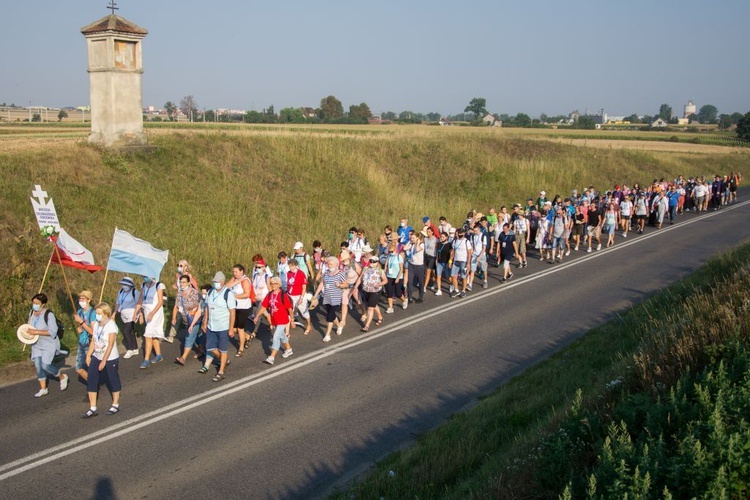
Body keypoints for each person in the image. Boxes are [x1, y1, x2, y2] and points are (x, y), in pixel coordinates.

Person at [26, 293, 69, 397]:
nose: (34, 305)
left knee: (45, 365)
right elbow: (28, 326)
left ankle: (62, 376)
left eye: (37, 303)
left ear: (43, 304)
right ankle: (43, 388)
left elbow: (52, 332)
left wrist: (36, 332)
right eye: (33, 303)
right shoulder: (31, 313)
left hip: (48, 344)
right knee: (38, 367)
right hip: (36, 344)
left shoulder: (49, 314)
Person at [83, 303, 121, 418]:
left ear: (106, 314)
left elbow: (110, 344)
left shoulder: (111, 325)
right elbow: (94, 341)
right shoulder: (96, 325)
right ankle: (93, 407)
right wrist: (89, 355)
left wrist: (104, 361)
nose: (97, 316)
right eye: (96, 313)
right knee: (92, 379)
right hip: (97, 355)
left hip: (110, 358)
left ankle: (115, 404)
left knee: (112, 379)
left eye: (99, 314)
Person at [199, 271, 236, 382]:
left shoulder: (228, 294)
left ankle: (221, 372)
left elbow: (232, 312)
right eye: (214, 281)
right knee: (210, 348)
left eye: (217, 281)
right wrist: (205, 322)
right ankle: (224, 359)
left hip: (223, 326)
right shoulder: (210, 292)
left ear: (222, 282)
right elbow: (207, 308)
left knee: (223, 349)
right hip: (211, 325)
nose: (215, 283)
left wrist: (231, 328)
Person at [255, 277, 294, 365]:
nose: (273, 285)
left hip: (283, 320)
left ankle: (272, 357)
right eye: (272, 284)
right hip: (275, 319)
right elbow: (264, 306)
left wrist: (292, 320)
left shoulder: (283, 295)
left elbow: (289, 309)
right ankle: (288, 349)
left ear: (279, 285)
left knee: (276, 336)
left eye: (275, 284)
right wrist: (257, 316)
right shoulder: (269, 295)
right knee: (282, 335)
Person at [314, 256, 348, 341]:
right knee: (331, 314)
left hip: (336, 297)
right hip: (327, 297)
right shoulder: (326, 273)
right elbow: (322, 283)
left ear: (336, 264)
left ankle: (327, 335)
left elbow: (346, 284)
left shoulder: (340, 273)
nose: (329, 265)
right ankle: (339, 325)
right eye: (328, 264)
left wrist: (339, 285)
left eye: (331, 264)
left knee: (329, 316)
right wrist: (316, 294)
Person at [135, 276, 165, 369]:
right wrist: (138, 313)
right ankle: (159, 355)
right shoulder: (143, 285)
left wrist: (152, 313)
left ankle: (146, 360)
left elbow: (160, 301)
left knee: (148, 335)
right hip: (147, 312)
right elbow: (141, 300)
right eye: (143, 276)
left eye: (146, 276)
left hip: (156, 313)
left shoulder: (158, 285)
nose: (144, 278)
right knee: (153, 334)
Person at [174, 274, 203, 366]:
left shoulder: (194, 293)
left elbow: (198, 306)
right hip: (186, 320)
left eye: (184, 282)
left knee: (189, 337)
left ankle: (183, 358)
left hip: (194, 320)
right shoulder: (179, 293)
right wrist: (173, 317)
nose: (182, 284)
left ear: (189, 283)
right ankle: (201, 351)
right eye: (180, 282)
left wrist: (192, 311)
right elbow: (176, 306)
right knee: (196, 337)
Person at [167, 260, 198, 343]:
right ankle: (171, 336)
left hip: (188, 301)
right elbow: (178, 285)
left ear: (186, 267)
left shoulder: (189, 276)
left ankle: (194, 336)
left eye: (181, 265)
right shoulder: (177, 276)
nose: (179, 267)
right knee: (177, 316)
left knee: (188, 319)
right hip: (179, 298)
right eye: (178, 265)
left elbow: (196, 288)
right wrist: (176, 287)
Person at [225, 264, 253, 357]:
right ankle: (247, 337)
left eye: (236, 272)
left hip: (243, 307)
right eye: (233, 272)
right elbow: (226, 286)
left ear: (241, 271)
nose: (234, 273)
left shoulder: (245, 281)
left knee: (240, 328)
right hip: (234, 307)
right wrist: (236, 282)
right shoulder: (235, 279)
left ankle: (241, 348)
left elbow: (246, 294)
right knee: (234, 328)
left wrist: (234, 297)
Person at [114, 277, 140, 359]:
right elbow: (118, 302)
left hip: (132, 314)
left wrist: (139, 315)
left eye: (126, 284)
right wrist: (114, 313)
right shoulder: (121, 292)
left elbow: (139, 304)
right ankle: (135, 348)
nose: (124, 286)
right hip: (123, 315)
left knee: (126, 331)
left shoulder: (135, 292)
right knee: (131, 331)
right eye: (123, 284)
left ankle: (130, 349)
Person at [73, 290, 97, 382]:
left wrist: (81, 322)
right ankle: (93, 382)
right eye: (80, 299)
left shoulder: (93, 313)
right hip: (81, 342)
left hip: (90, 343)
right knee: (78, 368)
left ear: (89, 300)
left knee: (91, 367)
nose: (81, 301)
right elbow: (80, 327)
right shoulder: (79, 312)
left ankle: (93, 386)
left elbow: (92, 332)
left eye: (83, 299)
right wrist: (79, 328)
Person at [359, 256, 387, 331]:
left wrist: (379, 284)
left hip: (375, 291)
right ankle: (380, 317)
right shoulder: (365, 269)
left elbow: (385, 280)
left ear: (377, 262)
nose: (372, 263)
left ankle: (366, 326)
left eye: (374, 261)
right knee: (373, 305)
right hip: (366, 290)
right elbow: (361, 278)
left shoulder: (380, 270)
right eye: (370, 261)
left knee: (370, 308)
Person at [249, 256, 273, 340]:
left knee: (257, 315)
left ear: (263, 267)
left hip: (263, 298)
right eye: (256, 267)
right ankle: (271, 324)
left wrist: (271, 298)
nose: (257, 269)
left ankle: (254, 332)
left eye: (259, 267)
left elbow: (270, 288)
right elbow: (252, 286)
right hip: (255, 299)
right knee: (265, 313)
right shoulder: (255, 276)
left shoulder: (267, 276)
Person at [286, 258, 312, 335]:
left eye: (292, 266)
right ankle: (288, 330)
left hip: (299, 295)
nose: (291, 268)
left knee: (304, 312)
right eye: (290, 266)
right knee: (289, 311)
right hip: (290, 295)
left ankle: (309, 325)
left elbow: (304, 287)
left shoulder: (301, 273)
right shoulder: (288, 273)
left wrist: (301, 297)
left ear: (296, 266)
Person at [383, 241, 406, 312]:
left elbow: (401, 269)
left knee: (398, 293)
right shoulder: (389, 256)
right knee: (389, 292)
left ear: (394, 248)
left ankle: (404, 300)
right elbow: (386, 265)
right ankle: (390, 307)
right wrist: (384, 273)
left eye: (390, 247)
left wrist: (398, 278)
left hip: (397, 276)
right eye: (389, 248)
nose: (389, 249)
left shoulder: (399, 256)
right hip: (389, 276)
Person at [450, 227, 472, 298]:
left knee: (463, 276)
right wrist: (450, 261)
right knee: (453, 275)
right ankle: (456, 290)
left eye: (461, 233)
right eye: (459, 233)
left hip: (463, 261)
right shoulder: (455, 241)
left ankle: (463, 291)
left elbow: (469, 253)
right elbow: (453, 252)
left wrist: (468, 263)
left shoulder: (466, 242)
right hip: (456, 260)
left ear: (464, 233)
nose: (460, 234)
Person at [405, 232, 426, 301]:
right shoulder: (412, 244)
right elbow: (405, 248)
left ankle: (420, 297)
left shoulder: (421, 245)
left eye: (413, 238)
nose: (412, 239)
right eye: (411, 238)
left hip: (419, 266)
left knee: (420, 282)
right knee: (410, 281)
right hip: (411, 264)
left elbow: (417, 249)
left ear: (417, 238)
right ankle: (410, 297)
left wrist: (418, 242)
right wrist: (410, 241)